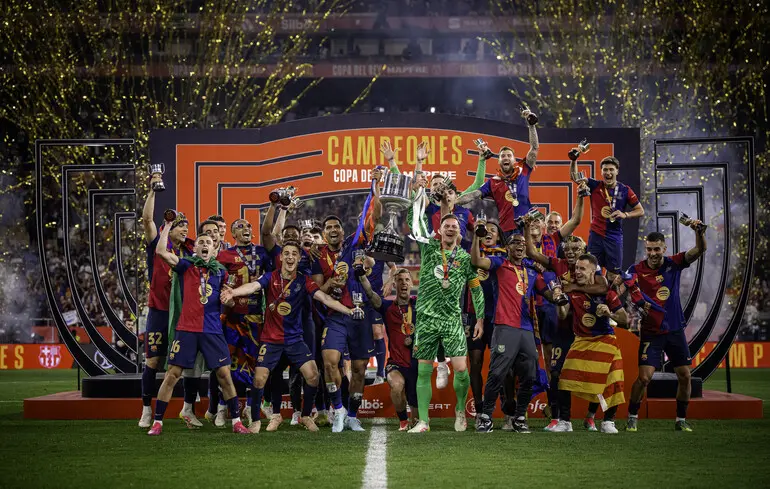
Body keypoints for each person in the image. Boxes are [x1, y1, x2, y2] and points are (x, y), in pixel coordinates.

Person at [222, 240, 361, 433]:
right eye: (286, 253)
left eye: (294, 254)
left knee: (313, 376)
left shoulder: (304, 281)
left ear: (299, 258)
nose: (290, 257)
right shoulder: (270, 277)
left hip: (295, 339)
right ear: (281, 257)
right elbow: (253, 286)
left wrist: (349, 311)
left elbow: (324, 298)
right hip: (271, 339)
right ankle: (256, 421)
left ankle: (305, 415)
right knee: (259, 379)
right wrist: (233, 292)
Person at [147, 220, 249, 436]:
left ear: (214, 249)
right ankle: (157, 422)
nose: (204, 244)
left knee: (224, 375)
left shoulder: (221, 272)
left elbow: (229, 301)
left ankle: (237, 422)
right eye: (201, 242)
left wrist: (229, 300)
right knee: (172, 374)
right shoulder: (186, 265)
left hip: (212, 330)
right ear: (195, 248)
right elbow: (161, 252)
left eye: (208, 242)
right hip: (187, 329)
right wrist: (167, 225)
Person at [406, 211, 484, 433]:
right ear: (439, 230)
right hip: (426, 320)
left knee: (461, 370)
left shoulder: (466, 259)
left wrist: (480, 319)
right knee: (423, 372)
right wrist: (417, 198)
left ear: (460, 232)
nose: (450, 229)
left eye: (454, 226)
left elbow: (476, 290)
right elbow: (416, 222)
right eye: (446, 226)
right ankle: (424, 421)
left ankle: (460, 410)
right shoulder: (428, 248)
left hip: (452, 320)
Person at [625, 223, 706, 432]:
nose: (653, 253)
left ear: (664, 248)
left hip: (675, 329)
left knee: (685, 375)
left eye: (657, 249)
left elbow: (699, 250)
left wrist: (699, 233)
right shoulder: (636, 270)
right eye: (649, 249)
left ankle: (681, 419)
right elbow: (625, 287)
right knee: (644, 378)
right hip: (651, 332)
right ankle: (632, 416)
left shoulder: (674, 263)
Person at [525, 234, 610, 431]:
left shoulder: (592, 267)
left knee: (595, 375)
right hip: (564, 329)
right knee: (557, 373)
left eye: (576, 249)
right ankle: (560, 419)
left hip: (588, 331)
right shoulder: (558, 265)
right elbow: (532, 253)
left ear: (584, 251)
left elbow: (603, 287)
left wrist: (572, 287)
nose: (571, 253)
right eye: (567, 249)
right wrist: (528, 227)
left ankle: (590, 417)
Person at [313, 210, 383, 433]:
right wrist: (332, 282)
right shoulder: (318, 257)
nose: (333, 230)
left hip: (361, 315)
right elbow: (318, 290)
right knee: (329, 362)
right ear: (324, 234)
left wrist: (375, 191)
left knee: (360, 369)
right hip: (336, 316)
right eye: (328, 228)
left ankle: (352, 415)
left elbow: (374, 217)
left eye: (337, 226)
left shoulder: (355, 246)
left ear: (343, 232)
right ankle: (338, 410)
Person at [472, 231, 547, 433]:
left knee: (529, 375)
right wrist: (477, 237)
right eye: (515, 242)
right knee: (497, 373)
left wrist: (558, 293)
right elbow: (477, 261)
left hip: (526, 329)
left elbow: (548, 292)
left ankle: (520, 417)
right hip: (504, 326)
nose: (520, 246)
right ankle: (486, 417)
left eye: (522, 243)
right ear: (507, 247)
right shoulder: (499, 264)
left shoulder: (531, 270)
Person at [138, 175, 196, 429]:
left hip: (183, 314)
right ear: (169, 229)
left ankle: (188, 408)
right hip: (160, 311)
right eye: (180, 226)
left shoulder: (191, 250)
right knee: (153, 361)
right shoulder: (158, 245)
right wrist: (152, 191)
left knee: (185, 363)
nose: (185, 230)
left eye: (186, 226)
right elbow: (147, 220)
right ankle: (146, 409)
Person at [550, 253, 628, 434]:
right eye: (576, 268)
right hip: (581, 340)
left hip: (606, 340)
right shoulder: (572, 291)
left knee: (614, 380)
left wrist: (609, 313)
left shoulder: (607, 293)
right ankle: (565, 421)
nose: (577, 271)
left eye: (582, 269)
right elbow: (563, 314)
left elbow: (624, 319)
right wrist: (559, 302)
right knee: (564, 379)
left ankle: (608, 421)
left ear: (593, 271)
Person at [207, 218, 271, 427]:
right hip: (231, 319)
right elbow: (216, 284)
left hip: (255, 318)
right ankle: (221, 408)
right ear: (232, 234)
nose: (246, 228)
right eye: (240, 226)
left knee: (255, 365)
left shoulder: (262, 252)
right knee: (225, 365)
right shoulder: (224, 255)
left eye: (248, 226)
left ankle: (252, 408)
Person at [456, 107, 540, 236]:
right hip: (505, 231)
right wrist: (454, 202)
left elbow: (534, 149)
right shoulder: (493, 182)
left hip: (527, 227)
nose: (506, 158)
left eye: (509, 156)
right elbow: (473, 195)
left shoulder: (523, 171)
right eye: (502, 156)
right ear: (499, 161)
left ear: (514, 160)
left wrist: (531, 125)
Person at [361, 267, 419, 431]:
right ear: (394, 284)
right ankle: (403, 421)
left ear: (412, 283)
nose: (403, 283)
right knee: (396, 385)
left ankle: (414, 419)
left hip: (417, 363)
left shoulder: (419, 305)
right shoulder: (387, 307)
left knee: (417, 420)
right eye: (399, 280)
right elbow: (371, 294)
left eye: (407, 280)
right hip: (396, 363)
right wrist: (362, 276)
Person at [569, 155, 644, 277]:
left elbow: (640, 210)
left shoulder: (625, 190)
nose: (608, 173)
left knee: (613, 275)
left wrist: (625, 214)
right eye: (605, 170)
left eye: (611, 169)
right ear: (601, 172)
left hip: (614, 237)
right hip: (596, 236)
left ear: (617, 171)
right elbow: (575, 177)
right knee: (592, 273)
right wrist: (573, 160)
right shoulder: (594, 185)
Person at [464, 219, 506, 428]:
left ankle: (508, 411)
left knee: (502, 364)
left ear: (499, 236)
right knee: (475, 363)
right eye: (485, 230)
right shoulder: (469, 253)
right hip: (474, 315)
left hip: (498, 316)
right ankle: (479, 411)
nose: (488, 233)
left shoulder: (504, 256)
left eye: (493, 230)